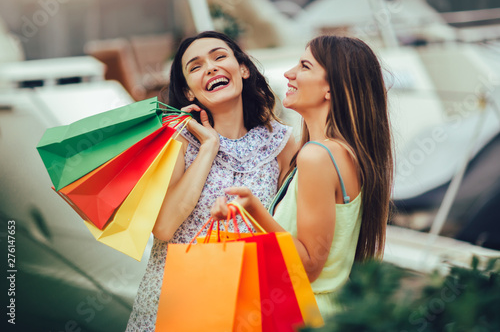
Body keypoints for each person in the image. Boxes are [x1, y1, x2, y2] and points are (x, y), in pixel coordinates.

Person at [211, 35, 393, 318]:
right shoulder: (346, 154)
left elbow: (308, 266)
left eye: (305, 66)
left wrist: (253, 209)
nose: (289, 73)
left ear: (331, 88)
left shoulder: (316, 156)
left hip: (301, 315)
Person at [125, 31, 296, 331]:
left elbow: (287, 227)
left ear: (242, 69)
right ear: (189, 92)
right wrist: (208, 146)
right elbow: (163, 227)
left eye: (219, 57)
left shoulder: (282, 143)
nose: (211, 68)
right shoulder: (177, 139)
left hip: (250, 301)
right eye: (195, 66)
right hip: (179, 301)